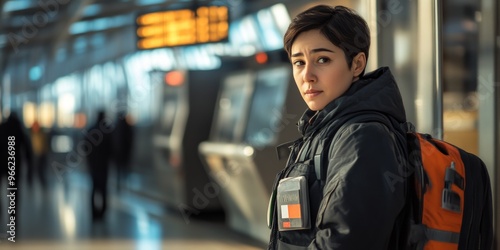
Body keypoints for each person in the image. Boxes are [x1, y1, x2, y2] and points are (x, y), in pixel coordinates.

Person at [267, 5, 410, 249]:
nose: (307, 75)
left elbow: (346, 241)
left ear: (357, 64)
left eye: (322, 59)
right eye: (299, 62)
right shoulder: (322, 129)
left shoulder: (363, 137)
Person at [85, 110, 113, 221]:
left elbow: (85, 147)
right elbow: (111, 149)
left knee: (94, 188)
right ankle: (102, 213)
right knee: (103, 189)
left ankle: (94, 213)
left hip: (93, 165)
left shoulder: (91, 130)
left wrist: (89, 161)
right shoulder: (106, 131)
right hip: (103, 165)